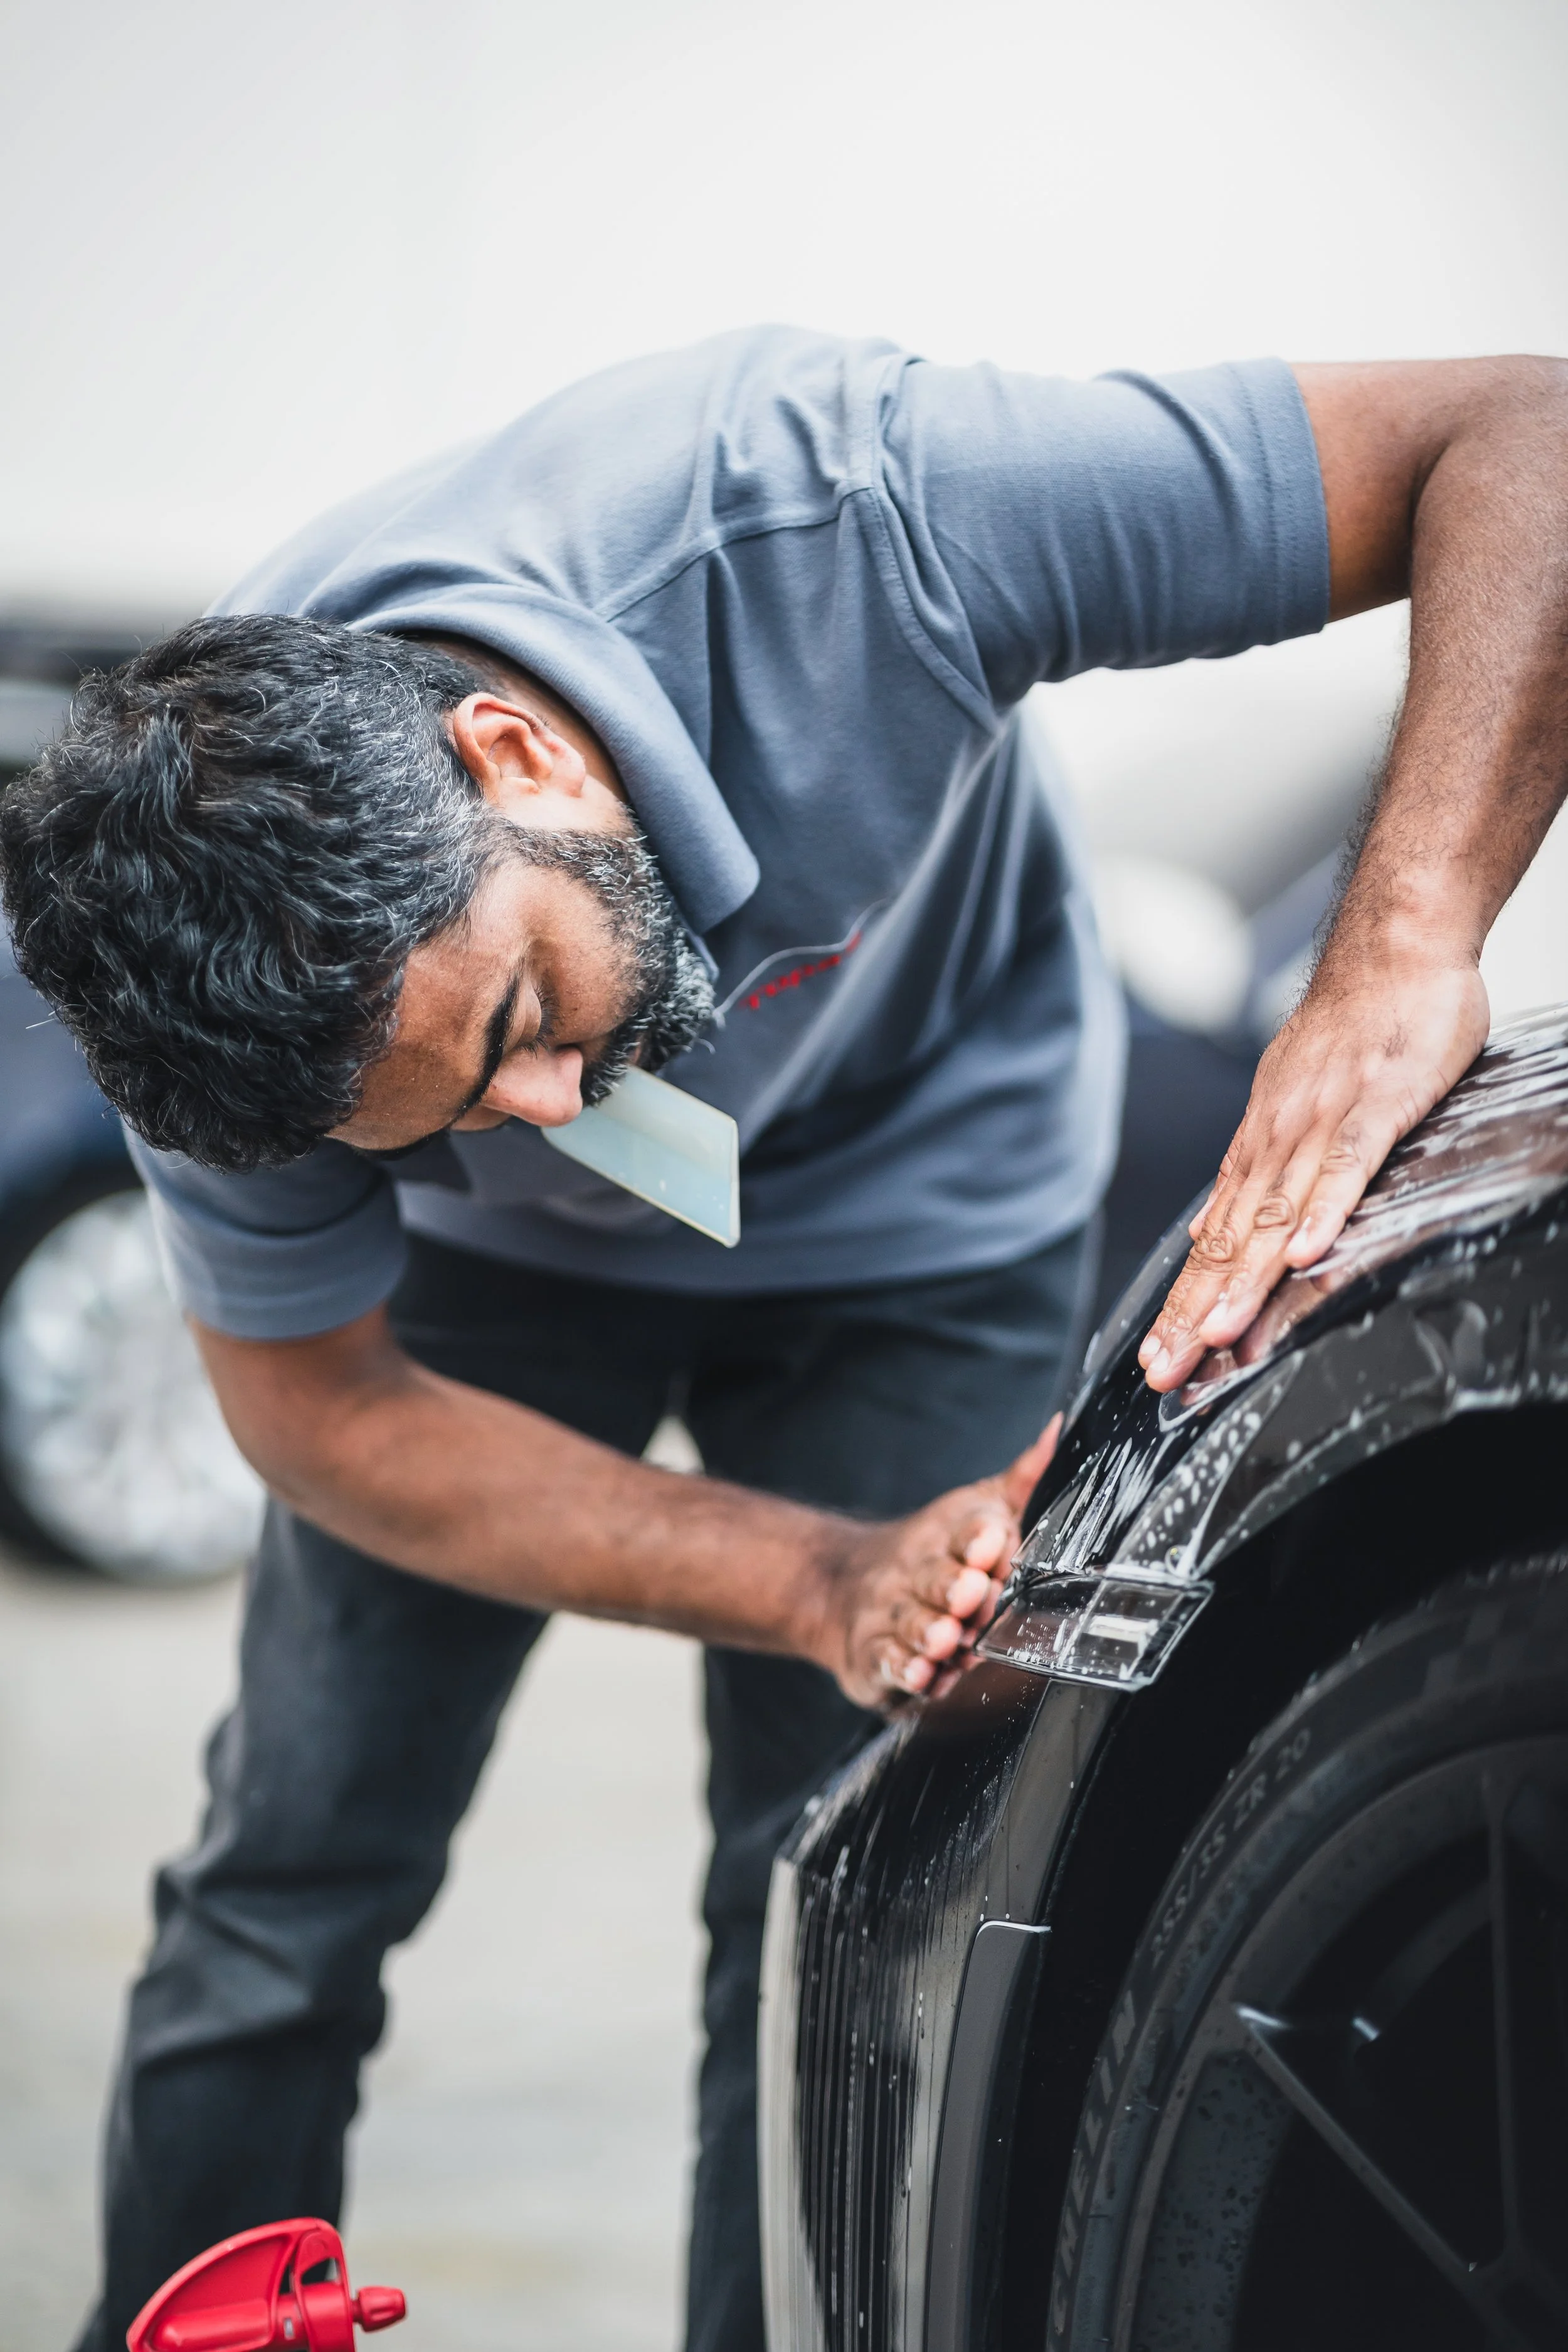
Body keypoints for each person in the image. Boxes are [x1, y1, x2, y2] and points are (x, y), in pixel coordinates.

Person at [4, 331, 1565, 2352]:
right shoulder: (222, 1007)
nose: (551, 1118)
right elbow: (325, 1413)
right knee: (294, 1863)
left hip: (924, 1214)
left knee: (822, 1874)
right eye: (458, 1110)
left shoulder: (841, 515)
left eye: (518, 1022)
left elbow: (1512, 431)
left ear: (520, 753)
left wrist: (1400, 944)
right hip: (494, 1309)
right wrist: (811, 1572)